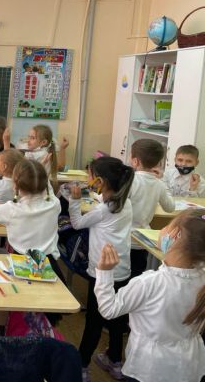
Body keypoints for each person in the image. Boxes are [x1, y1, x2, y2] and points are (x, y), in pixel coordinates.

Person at [94, 209, 205, 382]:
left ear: (175, 235)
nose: (161, 231)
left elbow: (109, 309)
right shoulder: (201, 279)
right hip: (188, 366)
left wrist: (104, 272)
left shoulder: (149, 283)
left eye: (166, 226)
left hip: (149, 368)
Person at [65, 156, 134, 382]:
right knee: (117, 321)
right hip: (122, 271)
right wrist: (96, 196)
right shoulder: (124, 202)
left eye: (90, 176)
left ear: (100, 182)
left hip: (102, 273)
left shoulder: (104, 210)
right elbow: (104, 206)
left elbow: (77, 223)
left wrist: (75, 200)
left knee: (94, 322)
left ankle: (82, 365)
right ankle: (115, 362)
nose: (88, 178)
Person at [128, 139, 175, 278]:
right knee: (135, 278)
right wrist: (162, 182)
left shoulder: (129, 180)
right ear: (159, 163)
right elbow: (170, 207)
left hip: (121, 240)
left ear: (135, 161)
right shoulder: (158, 184)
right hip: (142, 241)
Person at [4, 124, 68, 180]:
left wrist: (6, 142)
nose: (28, 140)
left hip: (35, 186)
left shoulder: (40, 154)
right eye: (29, 137)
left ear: (43, 142)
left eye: (32, 138)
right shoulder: (41, 151)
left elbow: (12, 164)